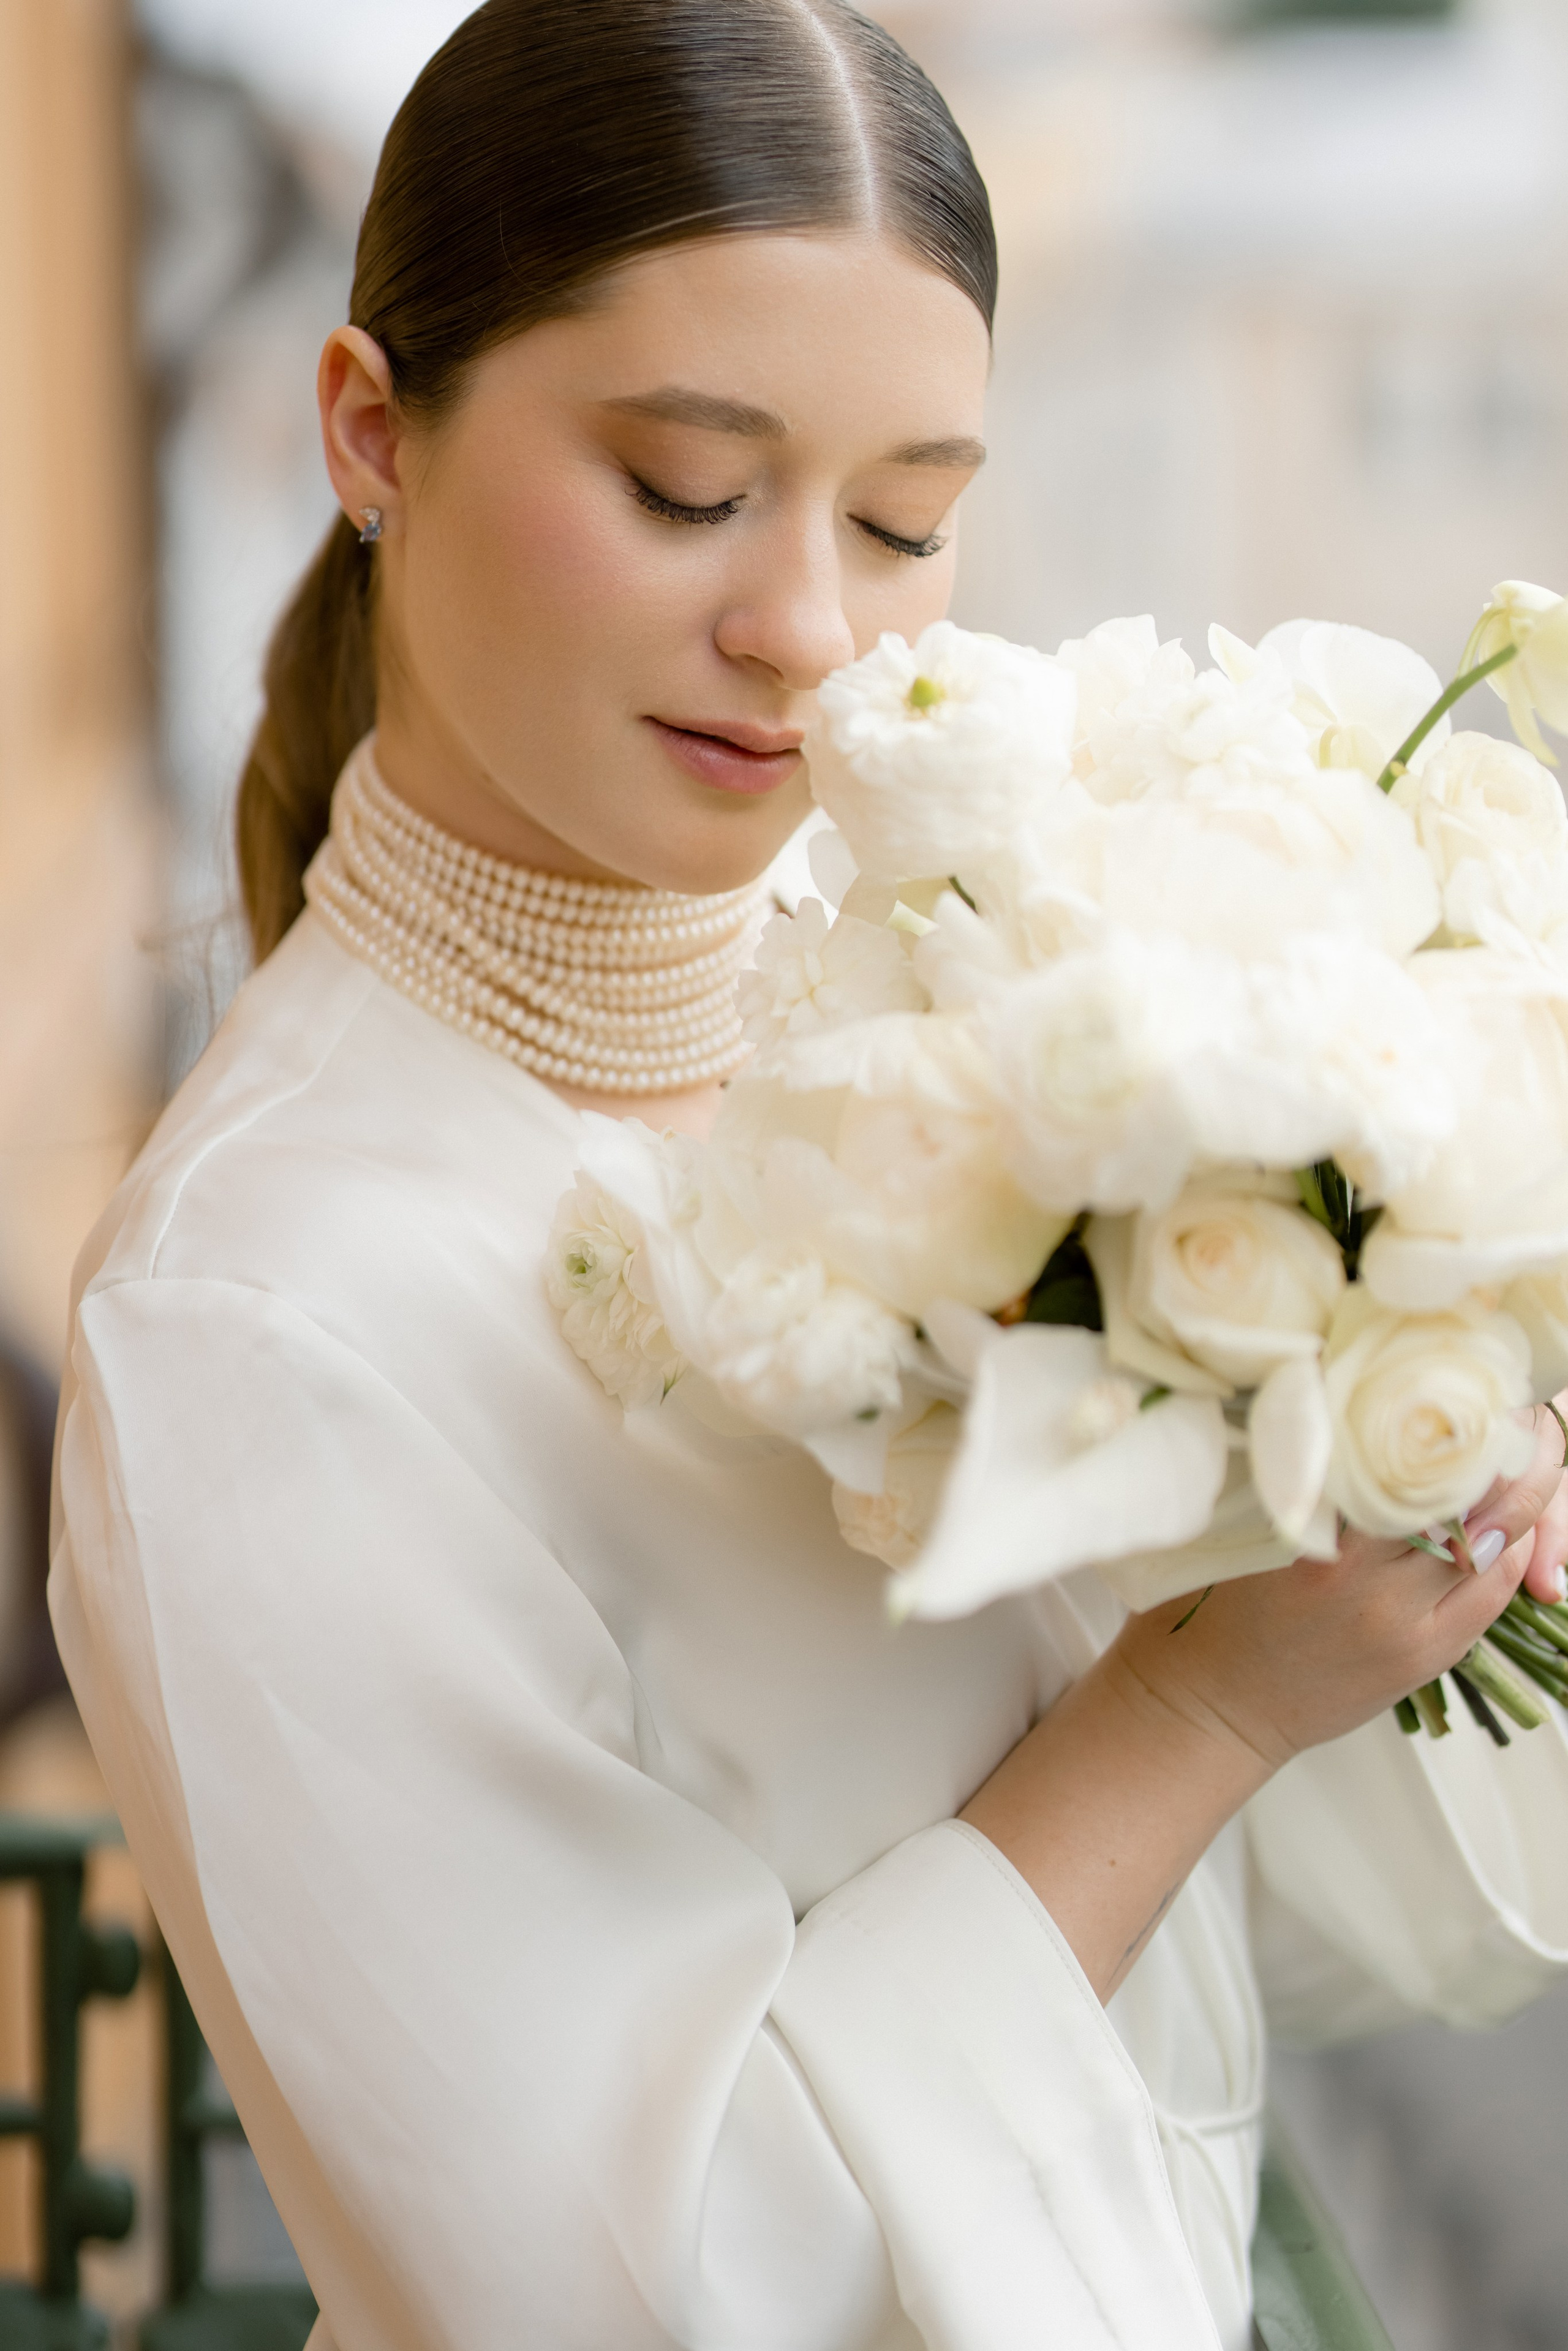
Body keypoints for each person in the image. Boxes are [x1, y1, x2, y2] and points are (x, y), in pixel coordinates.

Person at [49, 6, 1568, 2347]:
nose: (811, 635)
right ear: (371, 431)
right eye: (685, 488)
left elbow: (1234, 1970)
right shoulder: (264, 1322)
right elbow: (643, 2290)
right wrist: (1187, 1710)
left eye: (903, 522)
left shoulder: (951, 986)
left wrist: (1390, 1469)